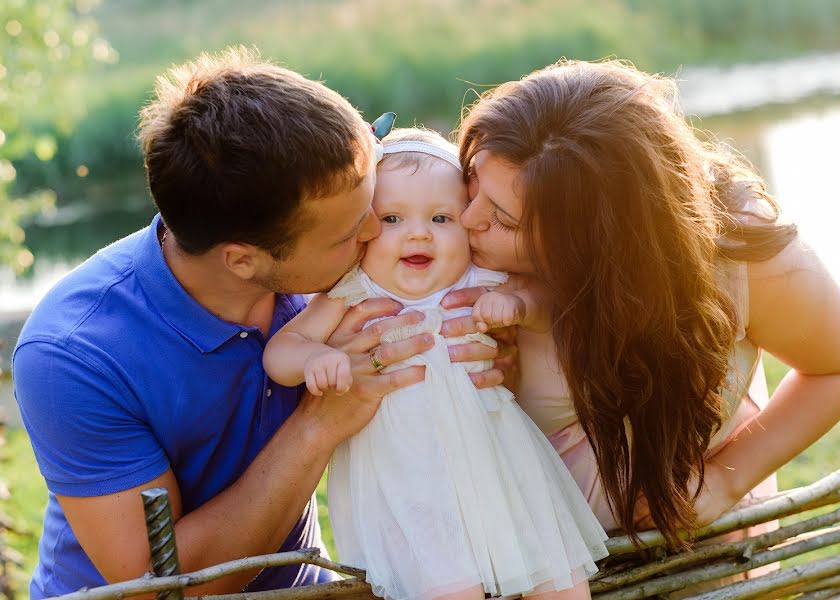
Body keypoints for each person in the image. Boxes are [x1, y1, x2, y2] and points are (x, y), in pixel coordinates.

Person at [12, 48, 503, 598]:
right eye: (348, 232)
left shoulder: (331, 273)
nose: (373, 233)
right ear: (244, 260)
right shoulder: (74, 354)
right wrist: (319, 424)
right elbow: (161, 586)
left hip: (305, 586)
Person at [443, 59, 840, 555]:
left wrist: (725, 482)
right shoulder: (439, 236)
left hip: (700, 555)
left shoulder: (734, 252)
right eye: (474, 177)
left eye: (503, 220)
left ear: (597, 240)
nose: (467, 217)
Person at [264, 128, 608, 600]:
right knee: (448, 587)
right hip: (407, 479)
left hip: (498, 463)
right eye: (392, 218)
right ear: (361, 228)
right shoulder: (355, 290)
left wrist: (521, 303)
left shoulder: (476, 277)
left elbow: (551, 297)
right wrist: (317, 356)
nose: (419, 232)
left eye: (441, 217)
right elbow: (280, 354)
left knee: (555, 576)